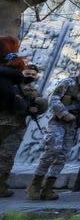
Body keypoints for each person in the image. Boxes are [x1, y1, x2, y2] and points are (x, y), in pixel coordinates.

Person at [27, 57, 80, 201]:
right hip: (59, 122)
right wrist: (64, 113)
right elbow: (54, 98)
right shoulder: (68, 82)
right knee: (52, 151)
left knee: (62, 156)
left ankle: (48, 188)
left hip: (74, 125)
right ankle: (35, 186)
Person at [0, 38, 48, 198]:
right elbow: (40, 103)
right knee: (6, 155)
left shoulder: (14, 82)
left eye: (33, 74)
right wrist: (33, 106)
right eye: (28, 73)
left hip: (13, 122)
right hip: (14, 124)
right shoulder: (18, 83)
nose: (30, 76)